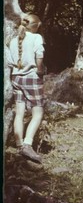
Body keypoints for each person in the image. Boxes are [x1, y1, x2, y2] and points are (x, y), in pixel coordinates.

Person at [6, 14, 45, 164]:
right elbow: (39, 56)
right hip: (31, 77)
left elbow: (10, 61)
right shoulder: (36, 38)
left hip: (16, 78)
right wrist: (40, 70)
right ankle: (28, 145)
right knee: (38, 112)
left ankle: (19, 144)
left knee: (20, 112)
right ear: (36, 26)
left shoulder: (14, 40)